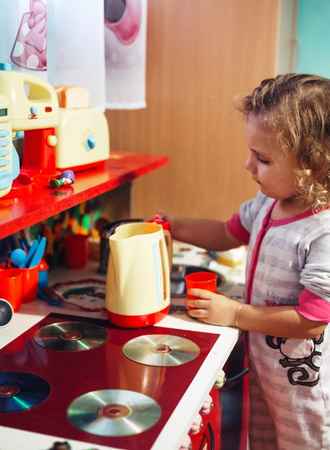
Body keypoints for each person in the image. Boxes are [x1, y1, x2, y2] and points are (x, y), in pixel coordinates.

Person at [167, 74, 330, 450]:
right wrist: (173, 225)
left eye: (263, 158)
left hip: (306, 390)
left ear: (314, 164)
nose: (248, 165)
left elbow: (311, 322)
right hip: (266, 374)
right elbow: (227, 233)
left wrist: (236, 314)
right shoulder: (268, 204)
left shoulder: (322, 230)